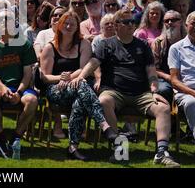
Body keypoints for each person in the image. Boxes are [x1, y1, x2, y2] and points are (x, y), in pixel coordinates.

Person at [71, 9, 180, 167]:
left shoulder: (142, 45)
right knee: (103, 101)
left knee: (163, 108)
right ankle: (119, 148)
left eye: (133, 22)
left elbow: (151, 72)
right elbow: (93, 63)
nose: (131, 25)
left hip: (141, 93)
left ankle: (162, 152)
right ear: (116, 25)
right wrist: (81, 77)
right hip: (114, 91)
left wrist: (154, 90)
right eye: (127, 22)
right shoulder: (106, 44)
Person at [40, 11, 118, 160]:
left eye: (73, 24)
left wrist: (69, 77)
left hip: (76, 86)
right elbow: (45, 77)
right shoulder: (50, 47)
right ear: (59, 25)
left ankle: (73, 147)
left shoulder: (84, 44)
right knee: (81, 85)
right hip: (57, 89)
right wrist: (61, 78)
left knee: (79, 101)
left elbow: (83, 69)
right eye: (65, 23)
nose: (69, 26)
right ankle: (105, 127)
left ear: (77, 27)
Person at [0, 9, 38, 155]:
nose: (3, 24)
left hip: (21, 86)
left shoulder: (24, 44)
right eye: (0, 21)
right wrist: (3, 89)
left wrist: (19, 92)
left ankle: (16, 137)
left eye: (7, 20)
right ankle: (1, 137)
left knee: (32, 100)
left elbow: (28, 74)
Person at [169, 10, 195, 157]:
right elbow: (174, 80)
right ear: (186, 25)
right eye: (194, 23)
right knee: (192, 103)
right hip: (186, 92)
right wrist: (194, 93)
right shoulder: (176, 48)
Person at [151, 10, 186, 105]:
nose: (170, 23)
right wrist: (169, 77)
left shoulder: (188, 40)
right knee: (163, 90)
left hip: (186, 76)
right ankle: (169, 117)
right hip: (165, 78)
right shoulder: (158, 42)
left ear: (181, 21)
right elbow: (154, 67)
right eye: (167, 21)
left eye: (174, 20)